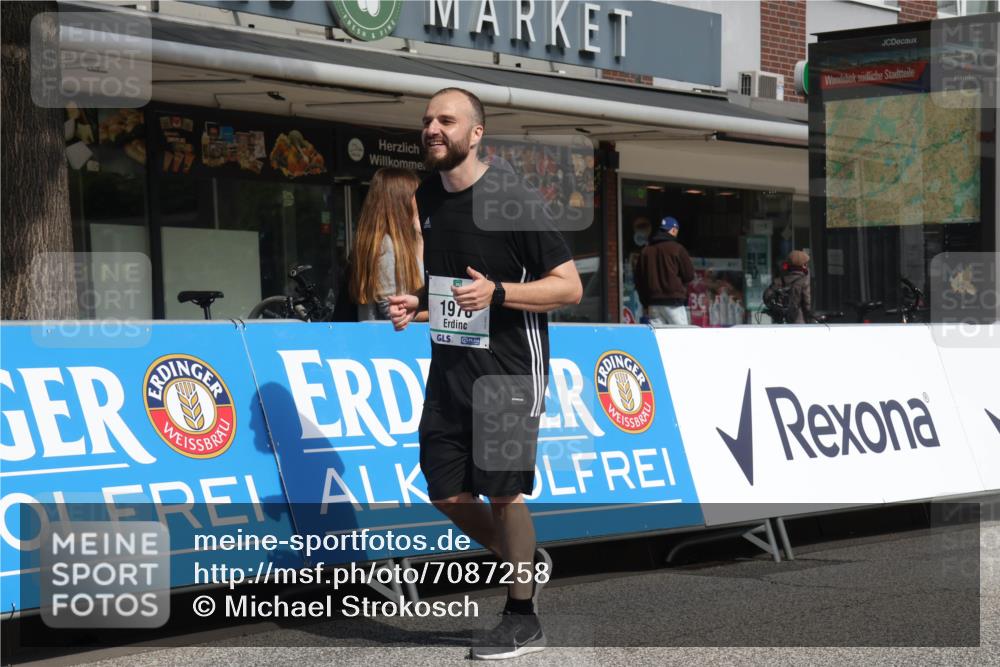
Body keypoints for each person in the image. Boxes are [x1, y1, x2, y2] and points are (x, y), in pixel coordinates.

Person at [388, 87, 582, 660]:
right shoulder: (426, 196)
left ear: (476, 134)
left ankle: (522, 616)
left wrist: (500, 292)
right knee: (444, 488)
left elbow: (569, 287)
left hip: (509, 370)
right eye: (427, 120)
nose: (432, 128)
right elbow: (454, 290)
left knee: (503, 494)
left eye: (446, 120)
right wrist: (417, 304)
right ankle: (522, 560)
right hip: (449, 364)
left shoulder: (512, 198)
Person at [348, 167, 424, 321]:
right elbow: (395, 312)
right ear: (401, 200)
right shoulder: (387, 246)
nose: (421, 200)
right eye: (417, 194)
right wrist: (440, 313)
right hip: (396, 341)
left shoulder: (380, 243)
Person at [634, 216, 695, 325]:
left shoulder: (646, 251)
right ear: (673, 230)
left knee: (659, 339)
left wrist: (645, 303)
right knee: (681, 338)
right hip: (674, 303)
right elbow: (689, 275)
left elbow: (639, 281)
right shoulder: (677, 249)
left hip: (654, 305)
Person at [764, 249, 813, 324]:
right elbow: (808, 304)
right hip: (799, 321)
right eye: (805, 264)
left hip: (780, 321)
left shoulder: (779, 280)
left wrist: (776, 309)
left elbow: (766, 296)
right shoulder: (804, 282)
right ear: (802, 265)